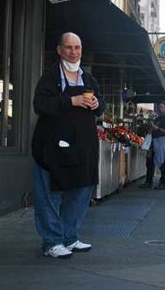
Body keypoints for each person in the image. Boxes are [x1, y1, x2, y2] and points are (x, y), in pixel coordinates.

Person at [31, 32, 106, 259]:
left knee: (81, 191)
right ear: (59, 50)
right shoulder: (50, 76)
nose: (74, 52)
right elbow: (40, 104)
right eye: (69, 47)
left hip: (82, 146)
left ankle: (70, 237)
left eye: (77, 48)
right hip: (53, 145)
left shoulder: (89, 78)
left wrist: (96, 103)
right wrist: (70, 101)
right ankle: (52, 242)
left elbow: (102, 107)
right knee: (50, 195)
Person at [150, 101, 165, 190]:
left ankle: (163, 181)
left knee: (162, 160)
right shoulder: (158, 118)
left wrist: (158, 128)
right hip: (156, 140)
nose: (160, 109)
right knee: (158, 160)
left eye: (162, 107)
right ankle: (163, 179)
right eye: (159, 107)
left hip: (162, 140)